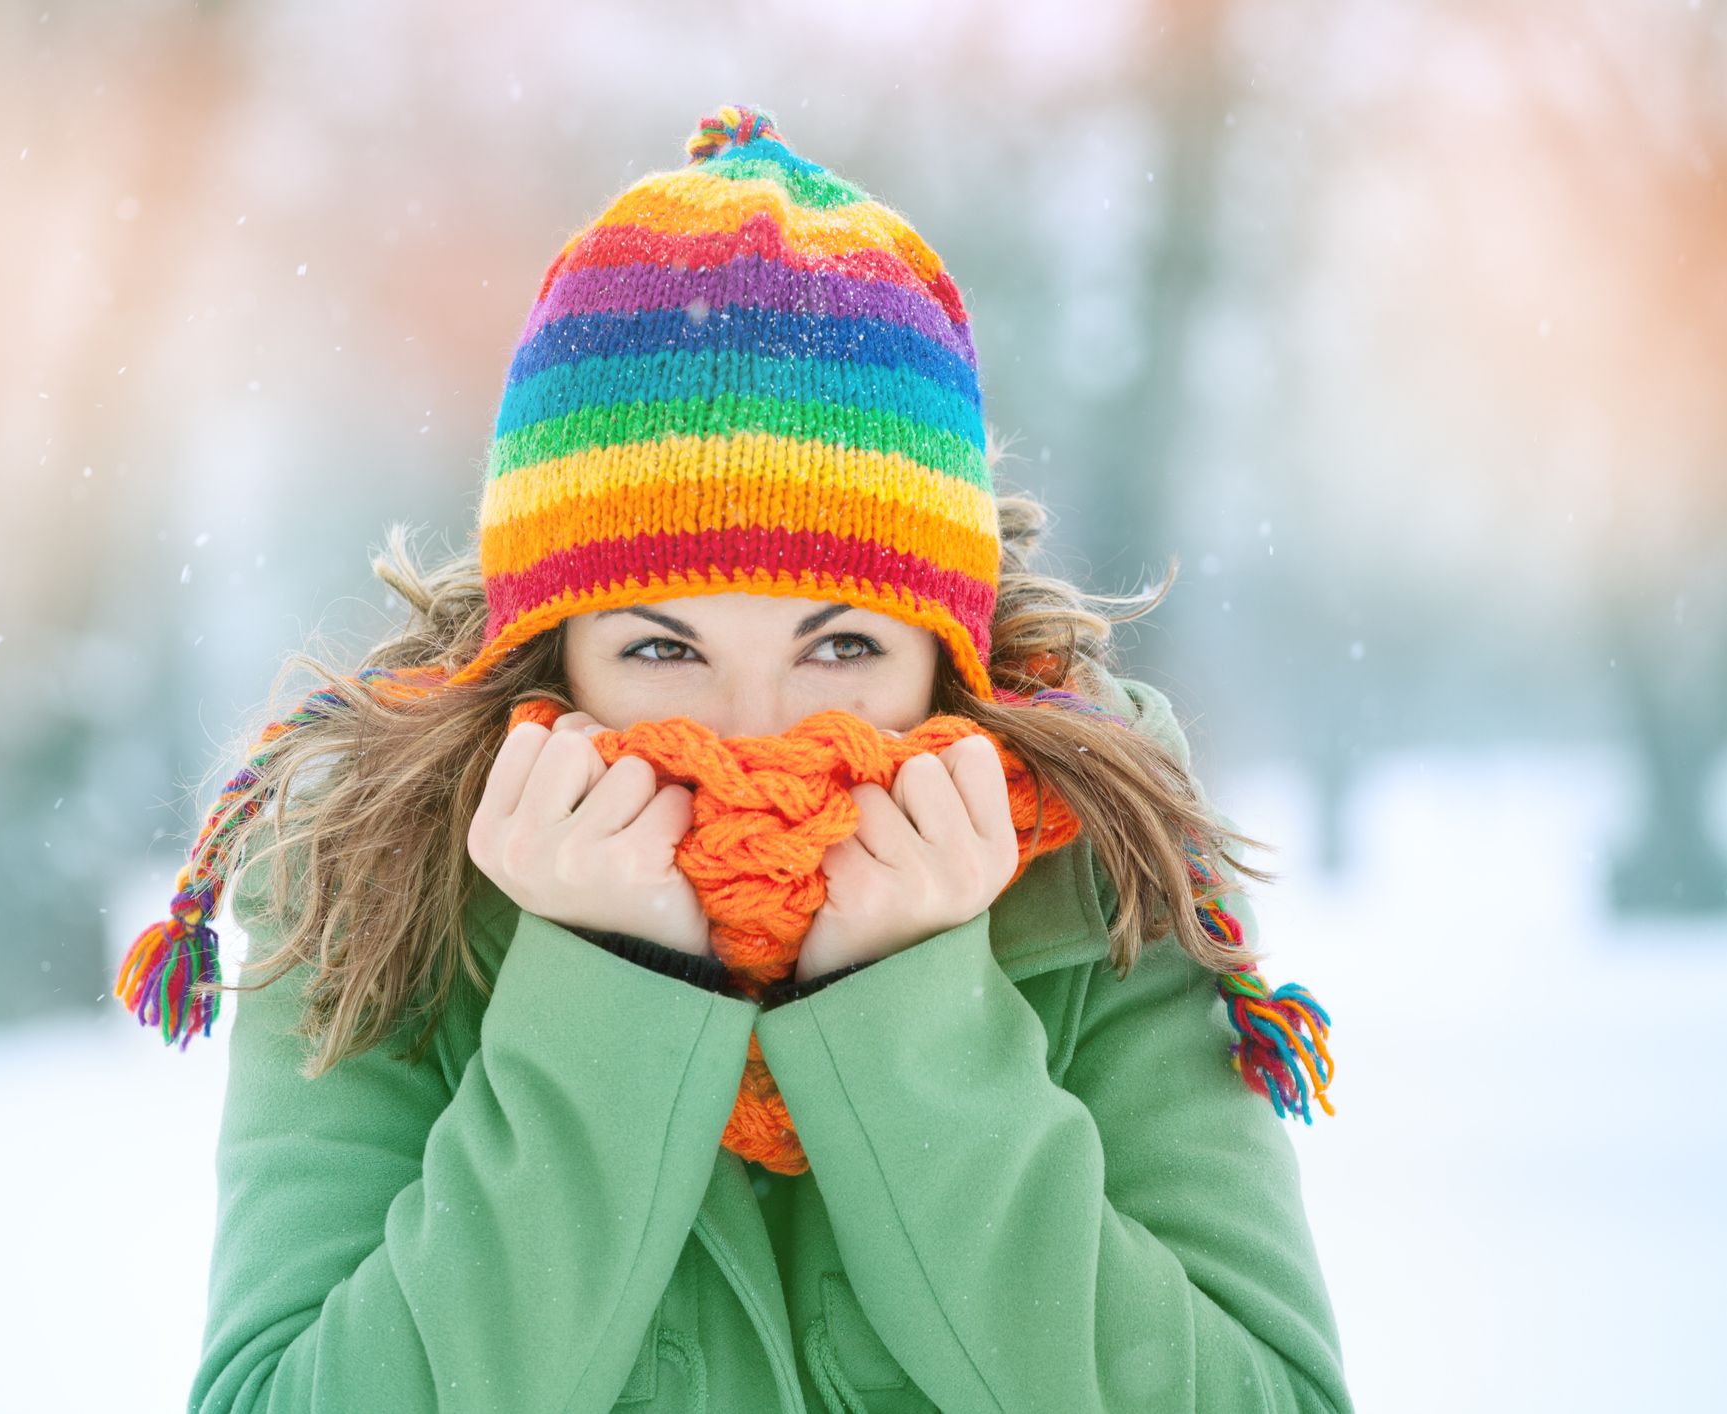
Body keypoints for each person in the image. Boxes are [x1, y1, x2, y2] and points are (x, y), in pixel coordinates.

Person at [144, 102, 1352, 1413]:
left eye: (839, 650)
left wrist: (908, 1019)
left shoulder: (1097, 870)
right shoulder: (365, 884)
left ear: (942, 654)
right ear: (549, 652)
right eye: (662, 652)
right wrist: (610, 986)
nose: (756, 730)